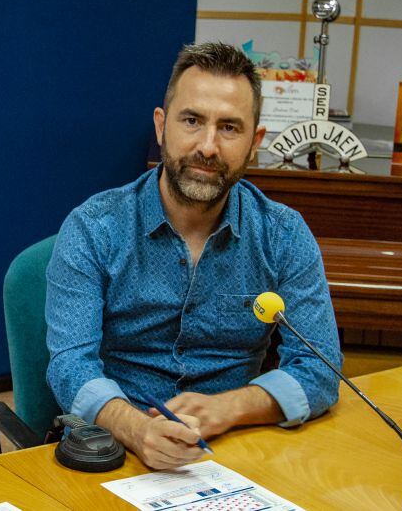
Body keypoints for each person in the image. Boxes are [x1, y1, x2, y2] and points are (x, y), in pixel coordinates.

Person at [45, 42, 341, 470]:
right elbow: (70, 365)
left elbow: (320, 367)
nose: (207, 146)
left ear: (255, 141)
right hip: (115, 449)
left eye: (229, 128)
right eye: (192, 120)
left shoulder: (284, 234)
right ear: (161, 126)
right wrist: (136, 428)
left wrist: (229, 408)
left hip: (236, 450)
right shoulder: (93, 228)